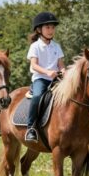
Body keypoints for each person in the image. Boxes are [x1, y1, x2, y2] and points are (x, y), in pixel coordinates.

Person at [25, 12, 66, 142]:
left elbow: (61, 65)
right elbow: (34, 65)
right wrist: (47, 72)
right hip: (40, 79)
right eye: (47, 27)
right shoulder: (35, 46)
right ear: (39, 29)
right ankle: (31, 127)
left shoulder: (56, 46)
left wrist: (65, 72)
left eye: (53, 27)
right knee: (37, 96)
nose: (51, 30)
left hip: (56, 79)